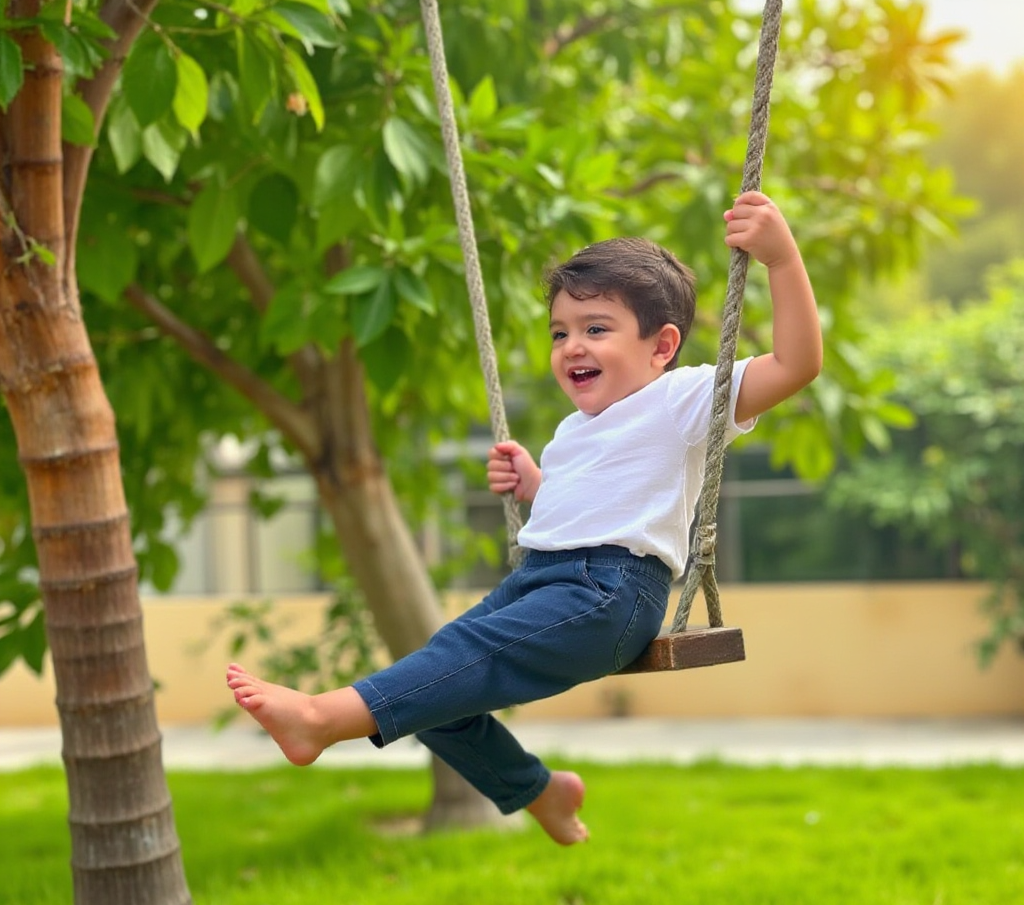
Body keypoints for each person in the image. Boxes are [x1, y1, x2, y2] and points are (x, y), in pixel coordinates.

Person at [226, 191, 822, 846]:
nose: (572, 346)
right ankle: (540, 792)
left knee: (456, 658)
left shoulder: (681, 400)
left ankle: (319, 717)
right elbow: (593, 502)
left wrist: (781, 257)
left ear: (663, 346)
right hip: (542, 580)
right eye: (560, 332)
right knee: (432, 690)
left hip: (611, 593)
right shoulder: (575, 428)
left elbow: (797, 365)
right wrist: (538, 486)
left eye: (596, 329)